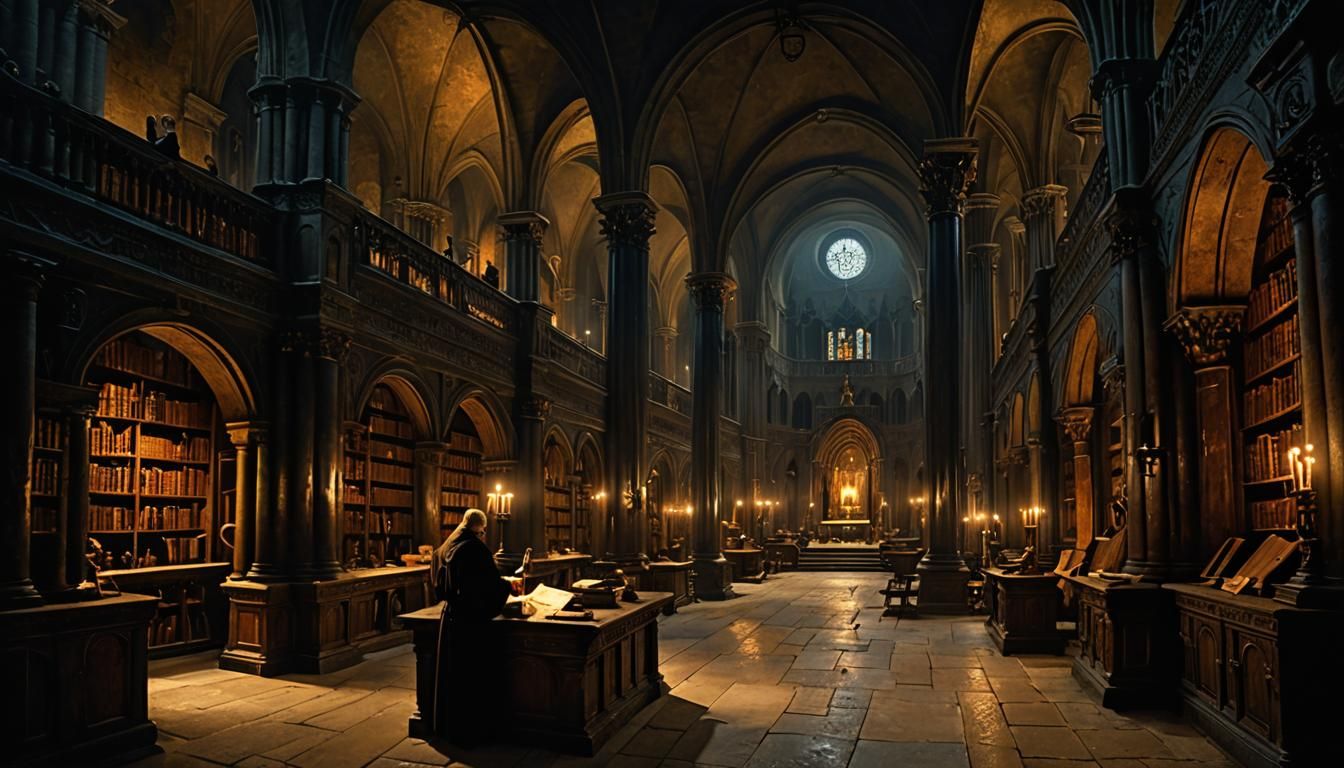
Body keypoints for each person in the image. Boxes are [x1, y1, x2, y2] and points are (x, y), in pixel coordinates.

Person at [430, 509, 520, 745]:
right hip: (470, 621)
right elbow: (486, 586)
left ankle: (449, 728)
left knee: (453, 677)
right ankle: (470, 731)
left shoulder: (450, 544)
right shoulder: (474, 549)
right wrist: (506, 588)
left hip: (451, 618)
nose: (484, 535)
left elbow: (445, 585)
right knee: (470, 678)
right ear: (480, 527)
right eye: (484, 531)